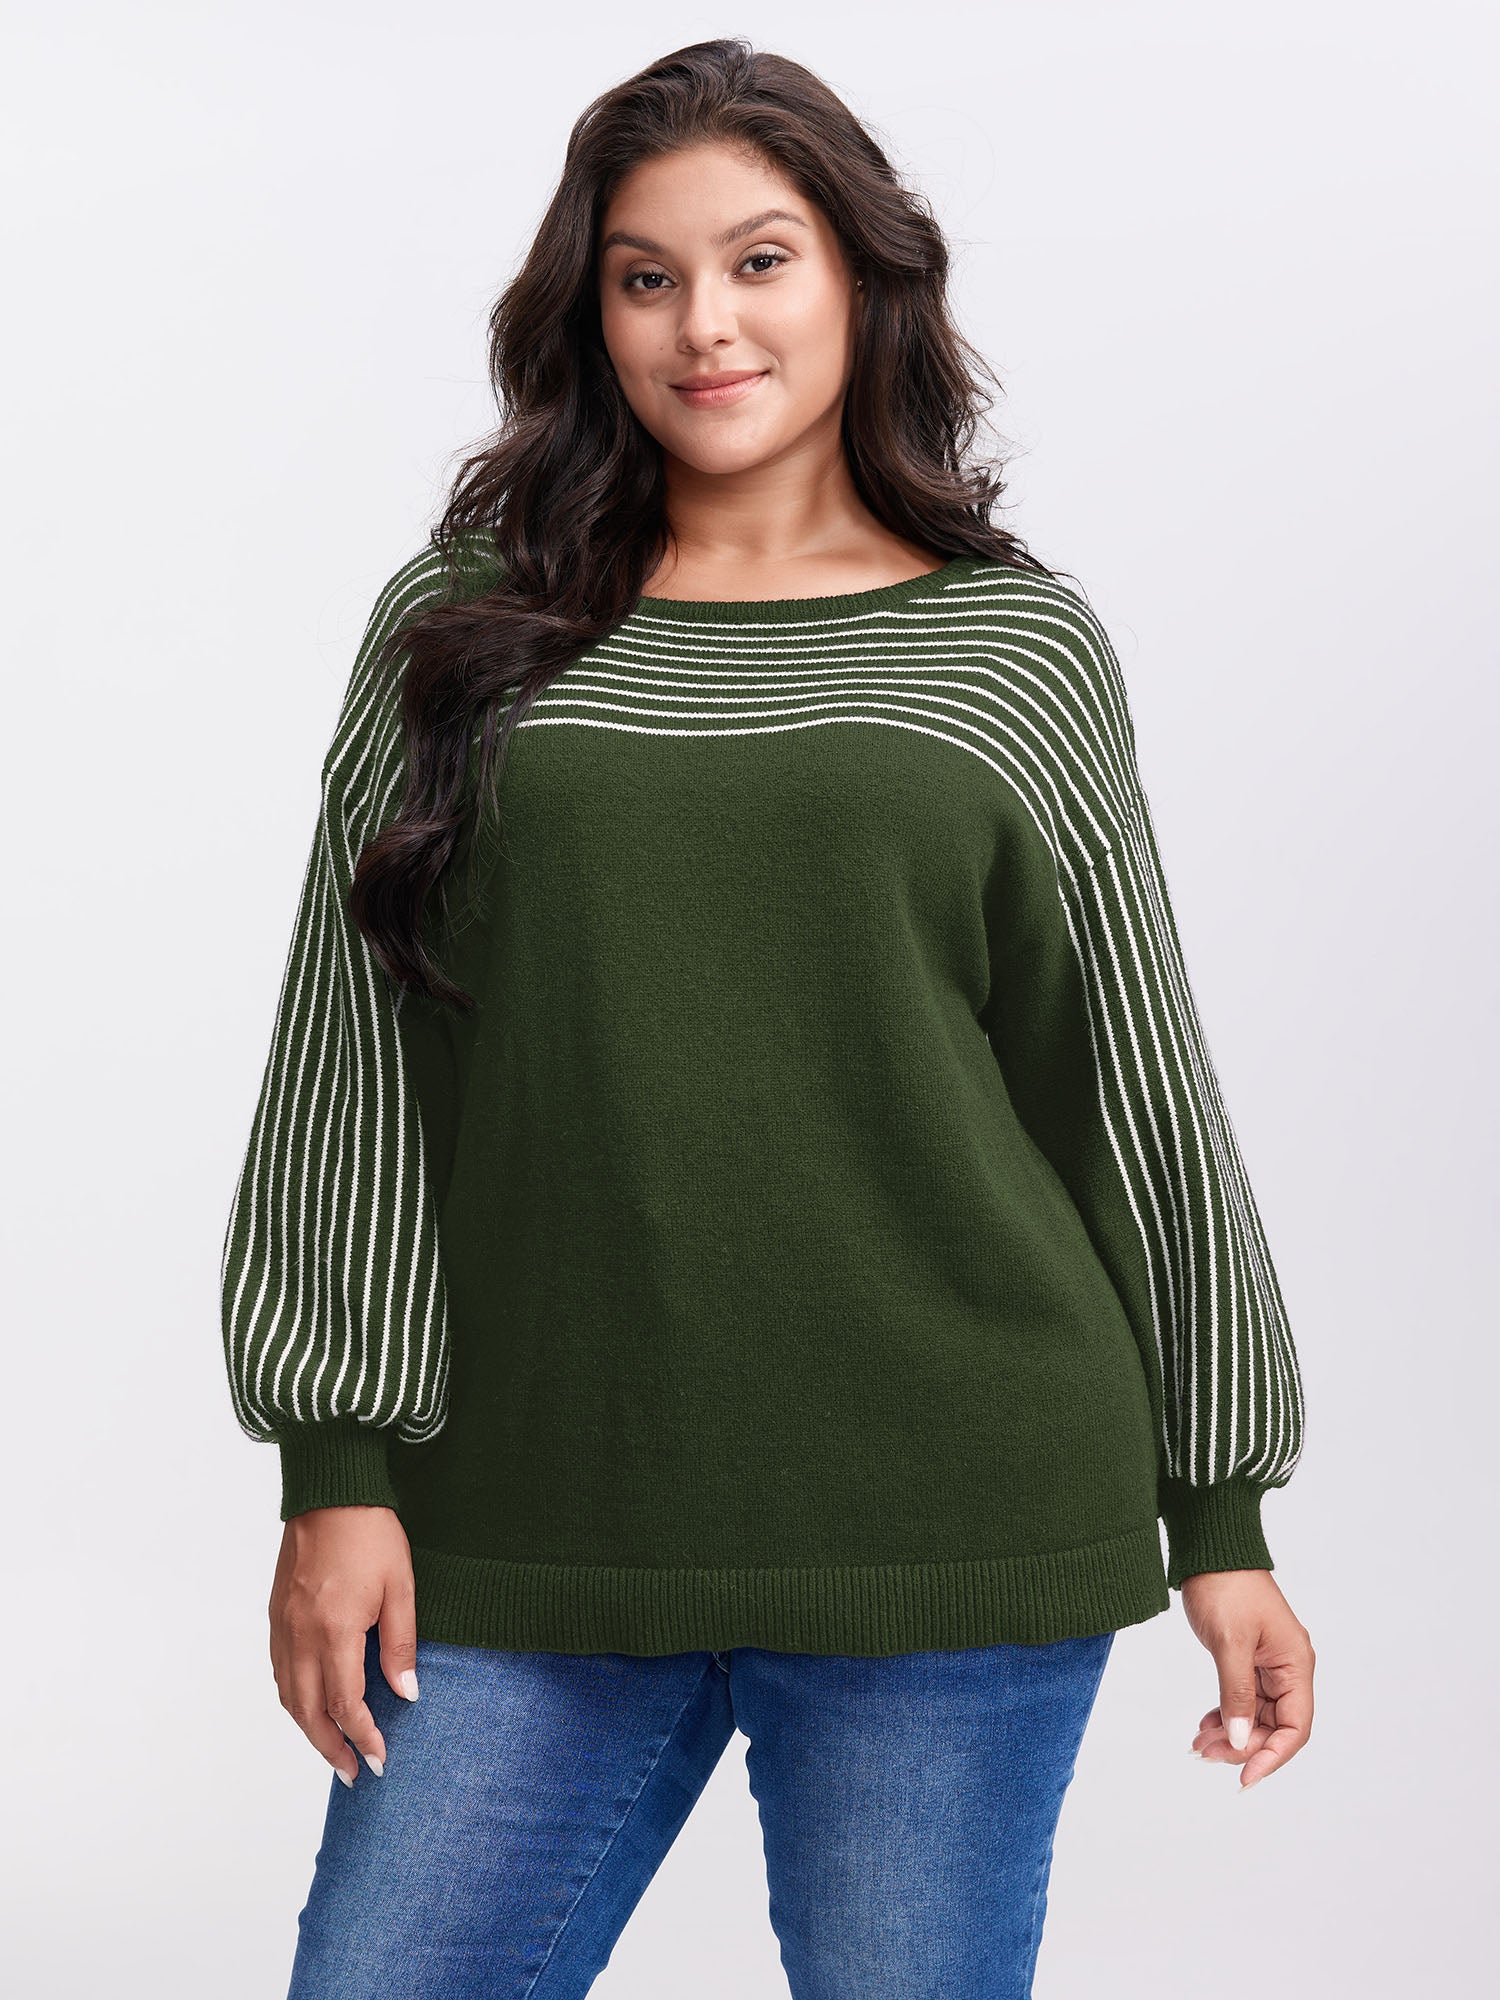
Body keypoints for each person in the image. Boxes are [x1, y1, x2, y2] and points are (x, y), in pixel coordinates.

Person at [219, 37, 1315, 2000]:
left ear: (864, 279)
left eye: (758, 261)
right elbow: (355, 1061)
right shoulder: (461, 629)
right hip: (535, 1509)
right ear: (590, 315)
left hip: (952, 1516)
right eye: (646, 278)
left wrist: (1219, 1508)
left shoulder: (1010, 645)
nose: (704, 325)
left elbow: (1129, 1084)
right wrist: (336, 1468)